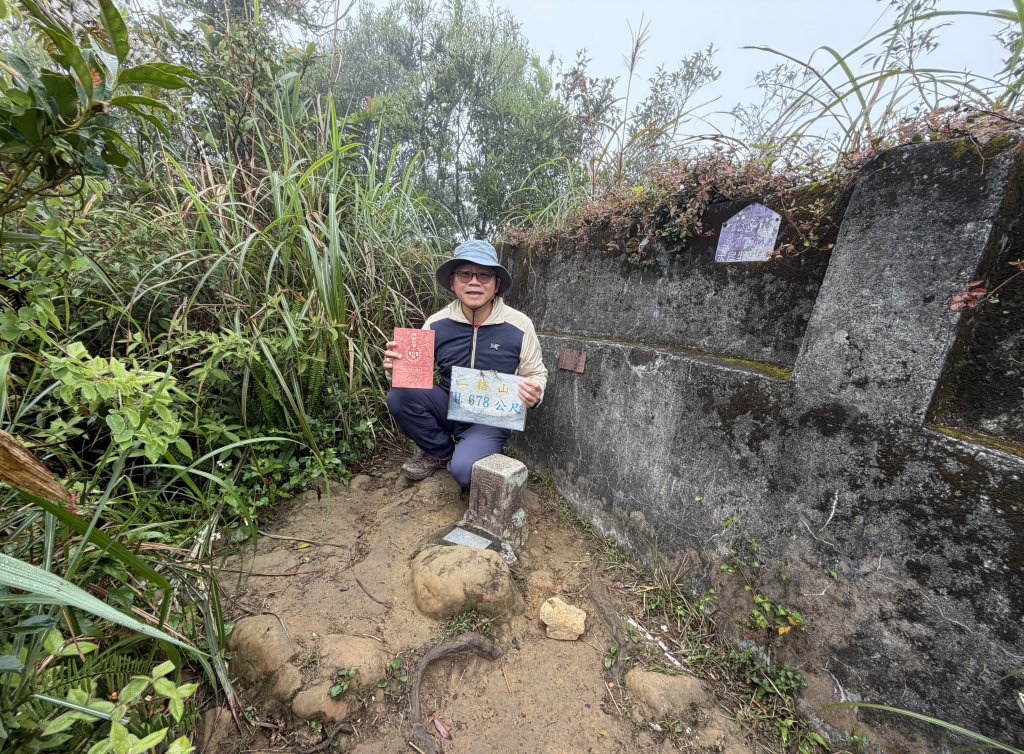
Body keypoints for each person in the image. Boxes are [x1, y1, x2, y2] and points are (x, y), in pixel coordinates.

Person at [383, 239, 547, 487]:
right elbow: (415, 378)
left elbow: (535, 372)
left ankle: (467, 453)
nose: (474, 282)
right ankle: (441, 450)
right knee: (399, 395)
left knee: (464, 472)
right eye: (465, 274)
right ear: (452, 281)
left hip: (491, 416)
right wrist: (397, 368)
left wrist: (535, 391)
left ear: (496, 284)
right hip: (448, 403)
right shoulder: (436, 323)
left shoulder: (519, 325)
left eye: (484, 275)